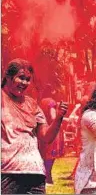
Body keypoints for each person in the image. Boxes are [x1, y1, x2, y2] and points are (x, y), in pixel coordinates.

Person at [1, 58, 68, 194]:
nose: (24, 83)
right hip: (8, 173)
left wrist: (59, 117)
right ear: (8, 77)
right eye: (21, 78)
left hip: (35, 172)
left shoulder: (32, 104)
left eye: (27, 79)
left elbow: (46, 137)